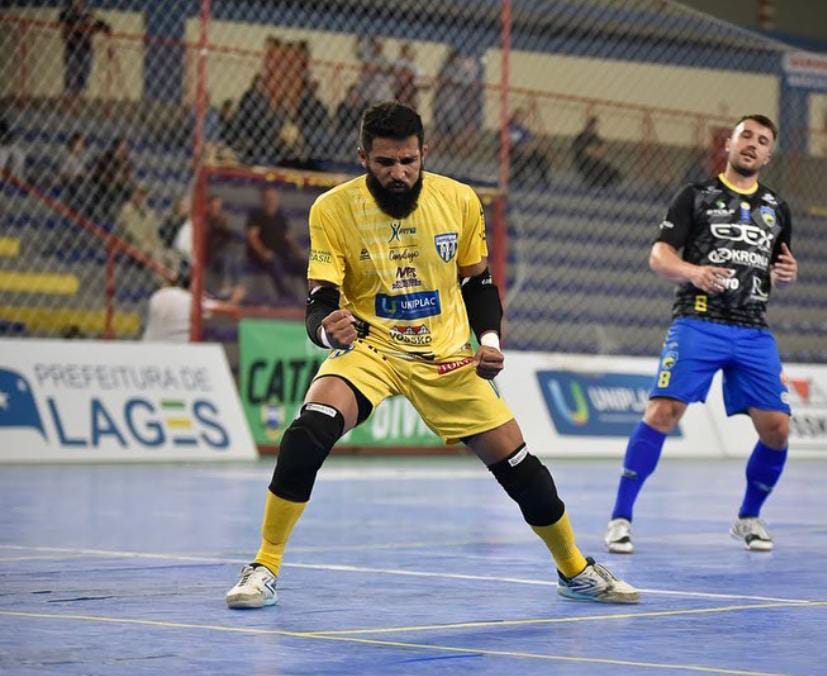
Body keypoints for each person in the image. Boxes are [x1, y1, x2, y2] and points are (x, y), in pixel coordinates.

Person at [225, 102, 638, 609]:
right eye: (384, 163)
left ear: (424, 154)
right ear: (362, 158)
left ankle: (574, 568)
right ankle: (264, 565)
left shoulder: (460, 200)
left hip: (446, 355)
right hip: (372, 348)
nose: (398, 174)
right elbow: (321, 302)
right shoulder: (331, 209)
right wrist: (327, 333)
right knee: (308, 432)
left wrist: (489, 340)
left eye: (408, 161)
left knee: (519, 465)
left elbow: (477, 281)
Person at [604, 115, 798, 555]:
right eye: (746, 135)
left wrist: (787, 272)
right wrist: (694, 272)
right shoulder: (695, 196)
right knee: (662, 413)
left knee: (778, 429)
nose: (752, 144)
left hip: (752, 329)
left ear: (769, 155)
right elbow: (659, 256)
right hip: (698, 319)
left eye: (762, 140)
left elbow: (779, 265)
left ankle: (748, 517)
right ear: (729, 143)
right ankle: (620, 517)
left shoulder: (777, 208)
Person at [245, 185, 305, 301]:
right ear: (263, 199)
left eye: (273, 197)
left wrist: (298, 252)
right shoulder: (256, 215)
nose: (271, 200)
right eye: (268, 198)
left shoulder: (281, 216)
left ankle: (313, 297)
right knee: (274, 263)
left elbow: (289, 238)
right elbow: (252, 237)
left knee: (304, 265)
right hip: (262, 256)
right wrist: (263, 252)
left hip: (283, 254)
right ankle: (286, 296)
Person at [58, 0, 111, 98]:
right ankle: (70, 94)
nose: (80, 5)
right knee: (72, 70)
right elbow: (63, 21)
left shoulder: (89, 15)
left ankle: (79, 94)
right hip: (72, 46)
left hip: (86, 47)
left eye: (82, 3)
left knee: (85, 70)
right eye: (78, 3)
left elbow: (100, 25)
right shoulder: (68, 14)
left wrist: (102, 27)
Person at [572, 116, 621, 189]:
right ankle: (592, 180)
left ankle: (602, 182)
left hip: (597, 160)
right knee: (595, 167)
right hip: (584, 161)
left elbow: (603, 149)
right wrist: (596, 152)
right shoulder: (581, 137)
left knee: (613, 171)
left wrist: (597, 151)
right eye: (594, 126)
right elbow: (587, 152)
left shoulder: (596, 137)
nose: (595, 129)